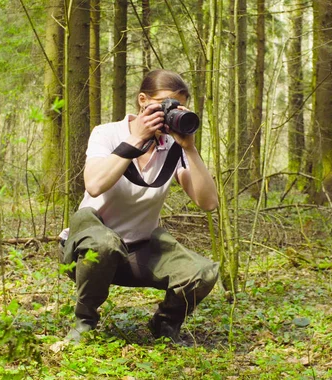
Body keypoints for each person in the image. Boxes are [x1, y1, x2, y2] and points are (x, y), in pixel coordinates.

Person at [61, 69, 219, 344]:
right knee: (105, 244)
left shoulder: (172, 147)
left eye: (177, 107)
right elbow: (94, 185)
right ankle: (84, 321)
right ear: (142, 101)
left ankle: (165, 323)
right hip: (89, 250)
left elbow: (208, 202)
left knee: (203, 272)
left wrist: (189, 149)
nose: (169, 113)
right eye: (164, 104)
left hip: (137, 252)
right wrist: (136, 140)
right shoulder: (108, 133)